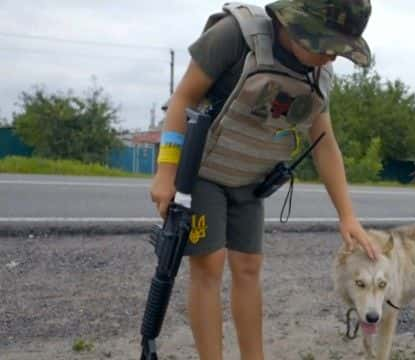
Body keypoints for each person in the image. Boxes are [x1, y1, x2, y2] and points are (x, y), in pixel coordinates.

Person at [149, 1, 377, 359]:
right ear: (295, 26)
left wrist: (347, 215)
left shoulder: (318, 76)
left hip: (249, 179)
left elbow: (325, 143)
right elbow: (183, 98)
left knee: (249, 266)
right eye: (326, 47)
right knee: (209, 264)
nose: (331, 59)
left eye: (339, 51)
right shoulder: (234, 36)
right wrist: (166, 172)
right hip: (203, 172)